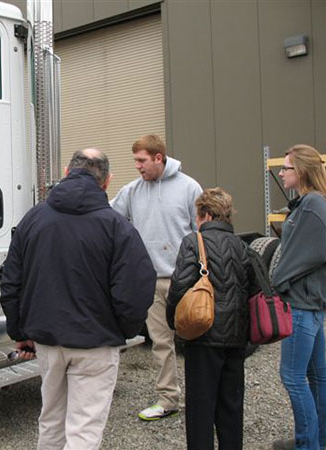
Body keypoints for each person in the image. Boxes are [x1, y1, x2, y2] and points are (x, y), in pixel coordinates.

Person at [1, 148, 156, 450]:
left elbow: (12, 280)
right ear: (107, 181)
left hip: (47, 341)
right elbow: (137, 288)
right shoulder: (116, 227)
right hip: (95, 343)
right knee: (83, 430)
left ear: (67, 171)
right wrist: (123, 330)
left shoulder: (33, 219)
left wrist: (20, 331)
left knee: (51, 422)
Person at [111, 134, 202, 420]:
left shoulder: (189, 188)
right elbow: (107, 217)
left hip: (185, 281)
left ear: (159, 158)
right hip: (152, 281)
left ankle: (203, 399)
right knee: (162, 344)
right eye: (135, 161)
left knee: (198, 341)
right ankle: (168, 400)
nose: (137, 166)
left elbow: (203, 232)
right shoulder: (132, 192)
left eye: (142, 161)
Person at [166, 187, 254, 450]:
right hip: (236, 339)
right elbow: (254, 290)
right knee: (231, 407)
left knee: (200, 410)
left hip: (203, 337)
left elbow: (179, 287)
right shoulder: (243, 246)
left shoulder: (194, 242)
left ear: (204, 214)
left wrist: (175, 323)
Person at [271, 145, 326, 450]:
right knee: (318, 377)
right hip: (311, 305)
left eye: (286, 168)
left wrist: (277, 281)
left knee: (292, 377)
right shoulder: (308, 203)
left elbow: (313, 252)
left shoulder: (313, 205)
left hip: (303, 306)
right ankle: (317, 441)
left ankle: (308, 444)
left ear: (302, 171)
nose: (281, 173)